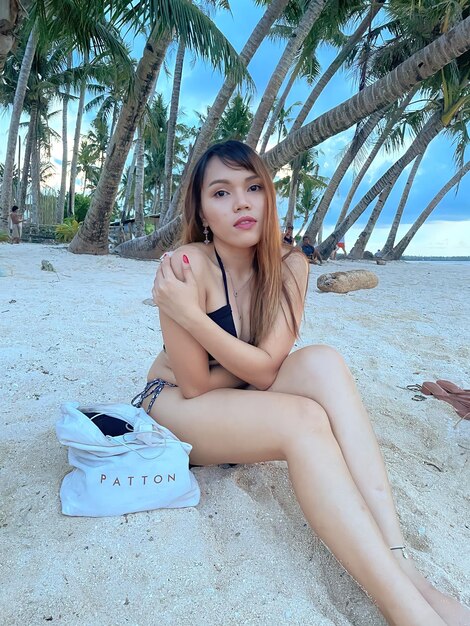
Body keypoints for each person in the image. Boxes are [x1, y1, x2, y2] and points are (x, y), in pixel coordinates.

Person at [134, 140, 468, 626]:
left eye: (252, 188)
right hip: (179, 406)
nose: (241, 202)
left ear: (269, 198)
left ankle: (401, 564)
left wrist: (251, 358)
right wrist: (191, 314)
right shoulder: (185, 266)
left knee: (326, 363)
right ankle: (406, 611)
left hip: (241, 397)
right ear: (202, 211)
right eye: (221, 193)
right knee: (305, 419)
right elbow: (197, 384)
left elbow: (268, 369)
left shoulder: (291, 263)